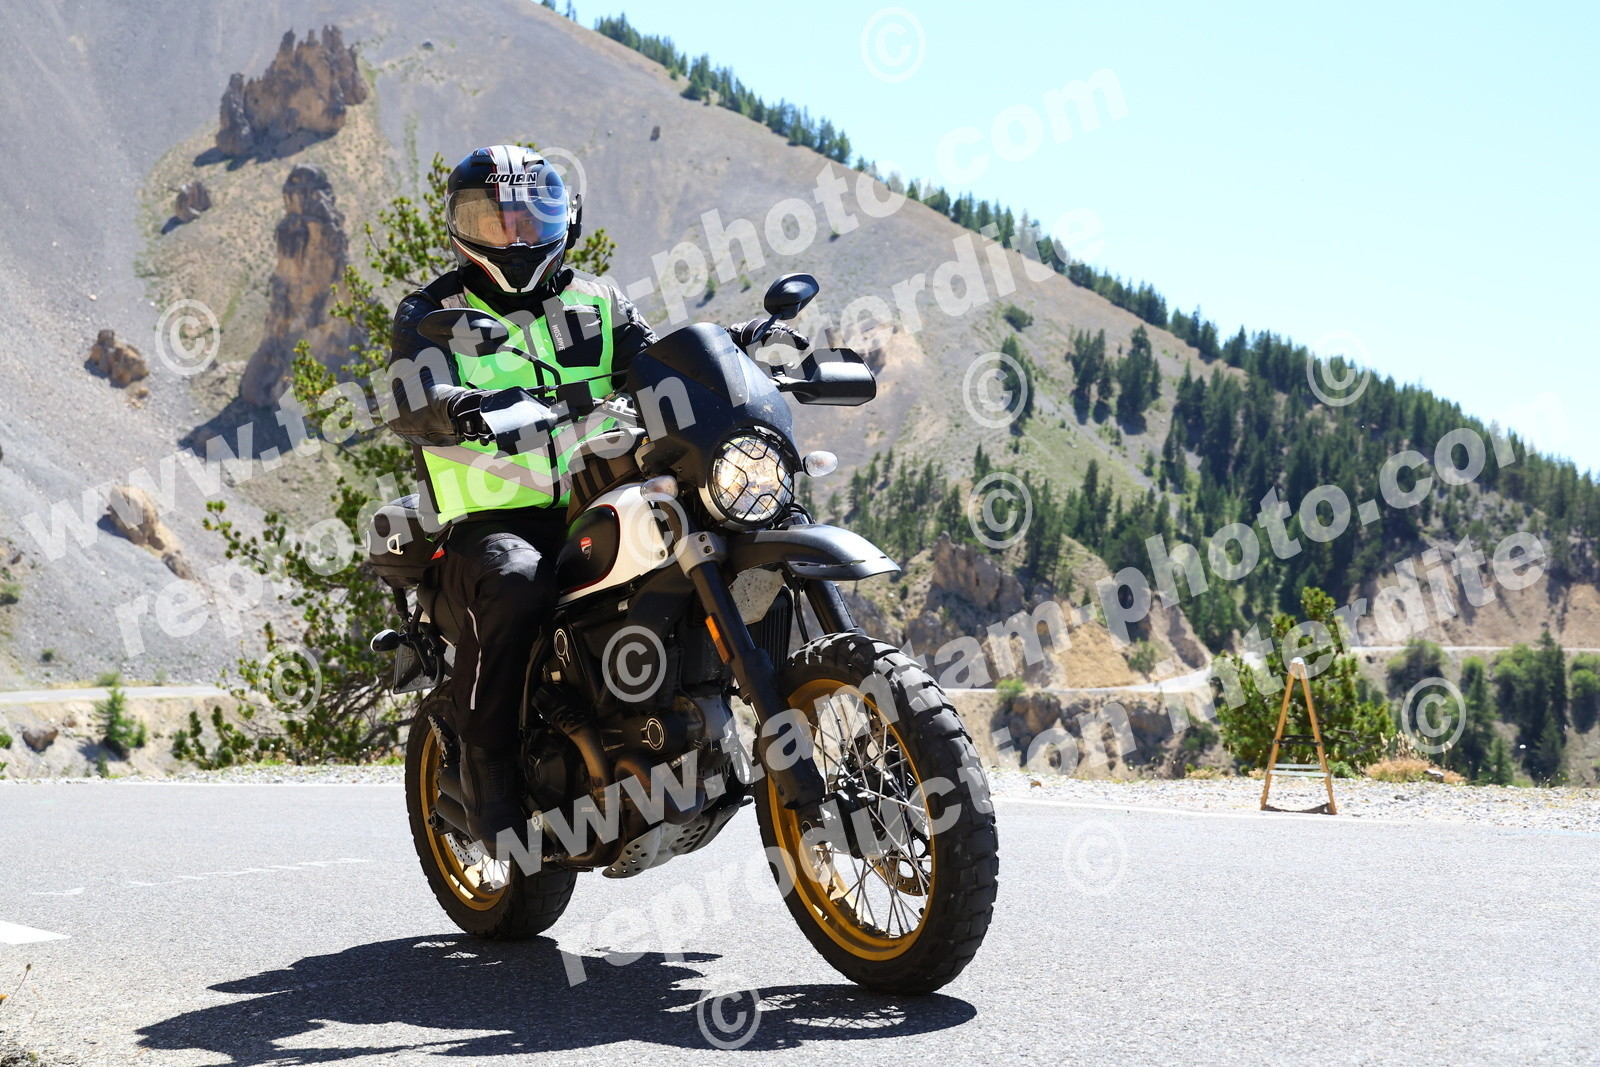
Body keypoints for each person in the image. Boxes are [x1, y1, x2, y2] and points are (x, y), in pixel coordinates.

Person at [384, 145, 801, 850]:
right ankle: (490, 782)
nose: (513, 233)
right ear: (461, 227)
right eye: (492, 219)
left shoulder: (598, 302)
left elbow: (655, 366)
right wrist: (458, 406)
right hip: (491, 521)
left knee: (721, 518)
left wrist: (735, 354)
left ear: (564, 218)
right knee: (518, 583)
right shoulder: (434, 310)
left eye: (529, 216)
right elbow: (408, 394)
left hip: (596, 494)